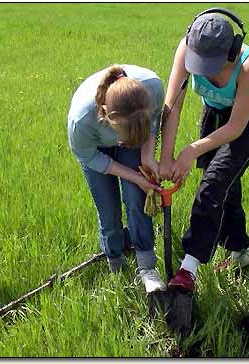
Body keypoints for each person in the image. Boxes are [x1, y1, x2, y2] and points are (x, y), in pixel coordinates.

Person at [159, 8, 249, 292]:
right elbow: (172, 107)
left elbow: (236, 126)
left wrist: (191, 150)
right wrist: (166, 157)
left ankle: (188, 269)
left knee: (212, 184)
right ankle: (240, 253)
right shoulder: (187, 49)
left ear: (232, 52)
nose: (204, 74)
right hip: (214, 116)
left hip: (247, 122)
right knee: (226, 187)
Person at [67, 64, 167, 293]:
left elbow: (155, 120)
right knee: (108, 209)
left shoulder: (152, 86)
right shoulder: (81, 121)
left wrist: (146, 155)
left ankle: (146, 267)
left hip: (133, 134)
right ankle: (116, 263)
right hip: (96, 151)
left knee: (136, 199)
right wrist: (134, 175)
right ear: (108, 116)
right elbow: (89, 157)